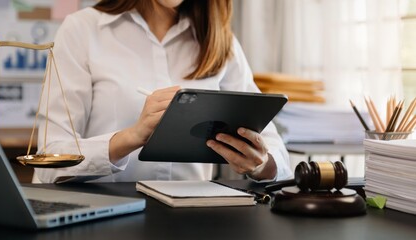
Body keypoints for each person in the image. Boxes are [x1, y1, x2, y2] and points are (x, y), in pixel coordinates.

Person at [34, 0, 292, 183]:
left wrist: (260, 164)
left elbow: (277, 157)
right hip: (104, 218)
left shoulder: (221, 43)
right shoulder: (82, 30)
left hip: (196, 219)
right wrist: (131, 137)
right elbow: (49, 160)